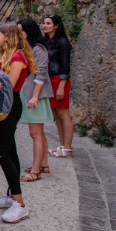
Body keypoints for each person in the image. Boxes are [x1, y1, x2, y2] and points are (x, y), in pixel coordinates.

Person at [0, 23, 37, 223]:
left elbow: (7, 83)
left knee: (2, 154)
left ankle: (20, 204)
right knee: (11, 151)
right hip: (4, 105)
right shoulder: (5, 55)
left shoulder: (17, 57)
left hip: (10, 106)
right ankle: (12, 194)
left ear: (8, 37)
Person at [17, 18, 55, 182]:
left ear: (29, 31)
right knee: (38, 132)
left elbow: (41, 74)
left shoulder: (38, 49)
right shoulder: (28, 48)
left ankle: (35, 170)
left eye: (21, 30)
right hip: (29, 93)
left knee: (35, 133)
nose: (18, 34)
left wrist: (34, 97)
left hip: (35, 95)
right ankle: (43, 164)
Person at [43, 15, 74, 158]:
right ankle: (61, 145)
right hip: (50, 80)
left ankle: (67, 148)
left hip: (59, 80)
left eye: (48, 23)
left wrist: (62, 85)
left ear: (56, 26)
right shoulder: (48, 42)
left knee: (63, 114)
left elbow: (65, 66)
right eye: (44, 23)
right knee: (56, 114)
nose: (45, 25)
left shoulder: (62, 42)